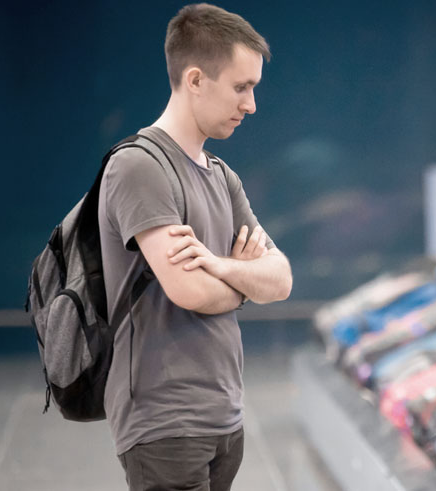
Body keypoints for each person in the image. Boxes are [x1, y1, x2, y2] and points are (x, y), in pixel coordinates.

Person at [97, 4, 291, 490]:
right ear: (196, 79)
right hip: (165, 424)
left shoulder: (222, 176)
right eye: (241, 87)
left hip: (223, 418)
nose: (251, 105)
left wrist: (218, 266)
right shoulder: (140, 167)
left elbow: (283, 278)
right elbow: (190, 291)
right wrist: (243, 278)